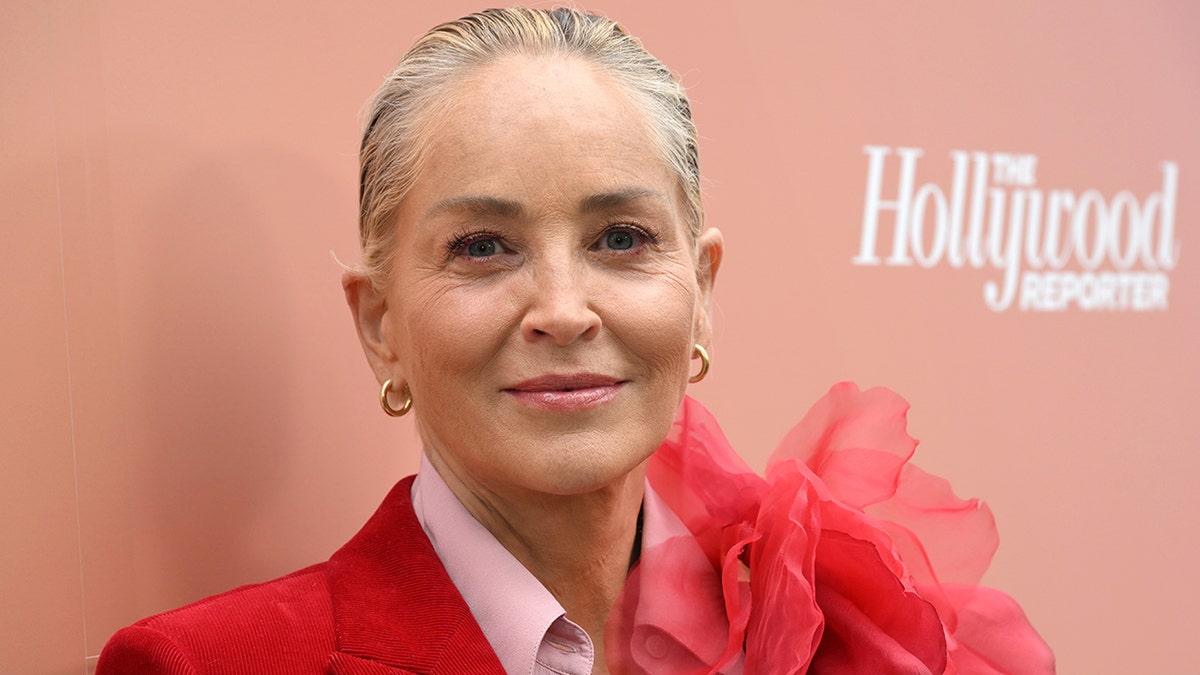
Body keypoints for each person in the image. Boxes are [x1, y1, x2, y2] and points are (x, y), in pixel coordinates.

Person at [97, 7, 1054, 674]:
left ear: (702, 295)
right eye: (482, 246)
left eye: (621, 239)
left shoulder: (829, 635)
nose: (563, 307)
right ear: (380, 326)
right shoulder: (202, 667)